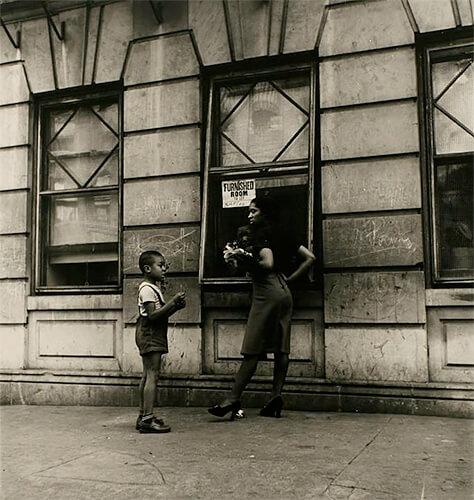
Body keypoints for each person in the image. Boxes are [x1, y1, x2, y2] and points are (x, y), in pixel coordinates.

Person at [208, 196, 316, 420]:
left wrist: (244, 260)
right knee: (281, 348)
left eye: (253, 211)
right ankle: (275, 397)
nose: (249, 215)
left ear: (264, 214)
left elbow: (267, 263)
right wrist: (290, 281)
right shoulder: (284, 233)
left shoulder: (260, 234)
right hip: (283, 293)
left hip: (266, 293)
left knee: (252, 348)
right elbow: (310, 258)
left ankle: (233, 398)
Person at [135, 250, 186, 433]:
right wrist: (172, 302)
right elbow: (153, 316)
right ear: (148, 269)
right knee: (152, 374)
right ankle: (147, 420)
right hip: (150, 333)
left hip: (150, 332)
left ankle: (144, 415)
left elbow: (159, 314)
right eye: (160, 265)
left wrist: (175, 307)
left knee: (147, 374)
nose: (164, 269)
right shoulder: (147, 289)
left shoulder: (152, 287)